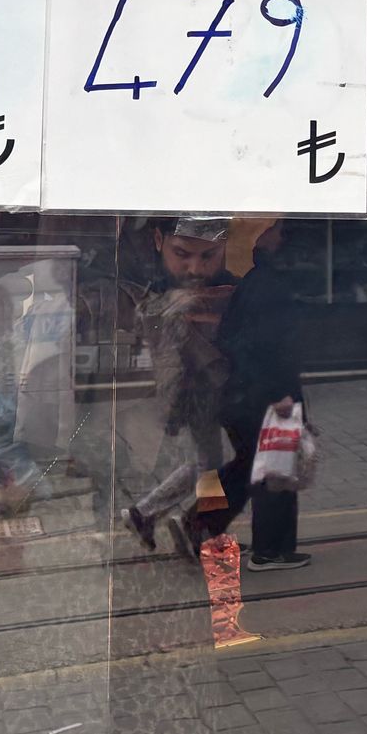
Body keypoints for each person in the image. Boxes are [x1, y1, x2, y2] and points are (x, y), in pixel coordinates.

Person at [197, 218, 311, 570]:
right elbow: (269, 347)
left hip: (241, 392)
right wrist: (279, 392)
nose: (279, 233)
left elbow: (232, 339)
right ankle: (270, 550)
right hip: (264, 395)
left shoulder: (253, 282)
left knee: (245, 465)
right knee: (274, 469)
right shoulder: (271, 287)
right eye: (276, 229)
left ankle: (199, 522)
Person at [124, 216, 239, 555]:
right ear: (158, 241)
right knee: (210, 465)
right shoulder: (166, 294)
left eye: (208, 256)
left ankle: (146, 513)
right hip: (195, 391)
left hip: (193, 390)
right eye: (183, 254)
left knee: (207, 461)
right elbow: (185, 355)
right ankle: (201, 528)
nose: (195, 269)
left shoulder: (180, 288)